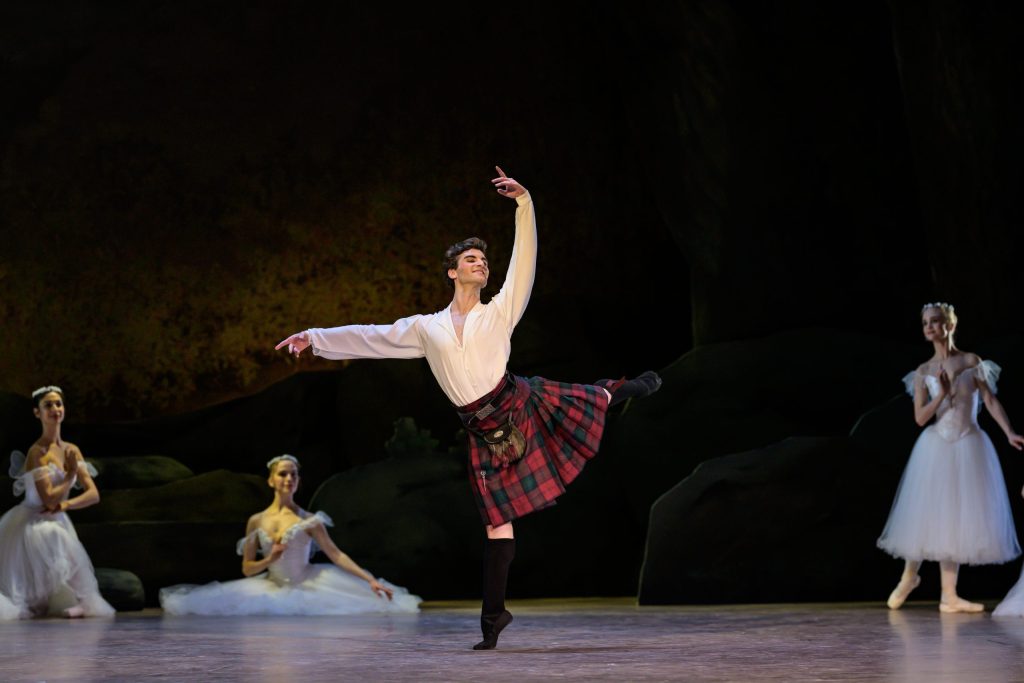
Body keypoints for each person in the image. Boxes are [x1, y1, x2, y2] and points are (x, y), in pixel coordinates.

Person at [275, 167, 662, 649]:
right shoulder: (426, 328)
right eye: (471, 259)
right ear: (453, 272)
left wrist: (525, 205)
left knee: (583, 401)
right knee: (496, 524)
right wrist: (314, 338)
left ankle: (621, 390)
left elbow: (525, 263)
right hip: (482, 432)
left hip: (517, 405)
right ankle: (493, 619)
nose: (481, 264)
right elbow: (372, 336)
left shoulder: (499, 312)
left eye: (483, 260)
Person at [878, 303, 1023, 613]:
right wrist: (942, 394)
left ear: (950, 325)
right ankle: (909, 576)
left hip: (969, 442)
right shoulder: (923, 372)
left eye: (936, 322)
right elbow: (919, 418)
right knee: (925, 511)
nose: (930, 327)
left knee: (956, 518)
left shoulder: (971, 362)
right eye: (926, 323)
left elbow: (989, 399)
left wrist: (1009, 432)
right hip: (937, 444)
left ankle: (949, 595)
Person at [159, 454, 420, 615]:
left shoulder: (309, 520)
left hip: (310, 584)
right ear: (271, 480)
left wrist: (369, 579)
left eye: (293, 474)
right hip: (271, 585)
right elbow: (248, 569)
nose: (288, 478)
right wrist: (270, 559)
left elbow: (336, 555)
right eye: (282, 474)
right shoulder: (257, 521)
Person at [0, 386, 115, 620]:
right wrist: (70, 476)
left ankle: (70, 601)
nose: (55, 409)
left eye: (58, 404)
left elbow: (93, 494)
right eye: (48, 405)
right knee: (53, 535)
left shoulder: (72, 450)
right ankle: (41, 602)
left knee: (60, 536)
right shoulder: (37, 452)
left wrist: (66, 505)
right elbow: (48, 498)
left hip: (57, 517)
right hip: (33, 520)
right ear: (37, 413)